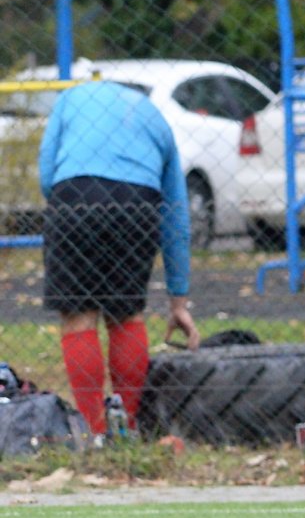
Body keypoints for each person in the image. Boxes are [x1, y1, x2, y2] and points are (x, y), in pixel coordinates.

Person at [39, 79, 200, 435]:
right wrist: (178, 300)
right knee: (126, 315)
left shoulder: (71, 98)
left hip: (75, 195)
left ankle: (93, 432)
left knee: (79, 316)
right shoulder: (156, 118)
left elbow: (47, 174)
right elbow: (175, 217)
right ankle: (127, 426)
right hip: (137, 202)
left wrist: (71, 207)